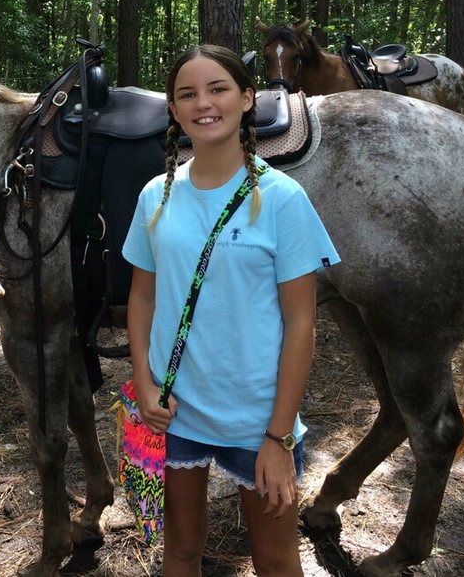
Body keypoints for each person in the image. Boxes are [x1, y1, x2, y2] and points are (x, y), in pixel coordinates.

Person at [123, 44, 340, 576]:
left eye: (218, 88)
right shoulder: (156, 196)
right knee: (178, 551)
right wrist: (144, 385)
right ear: (174, 111)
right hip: (174, 411)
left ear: (247, 98)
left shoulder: (282, 198)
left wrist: (279, 436)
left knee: (274, 559)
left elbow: (301, 324)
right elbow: (142, 297)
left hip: (258, 419)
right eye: (187, 94)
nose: (204, 103)